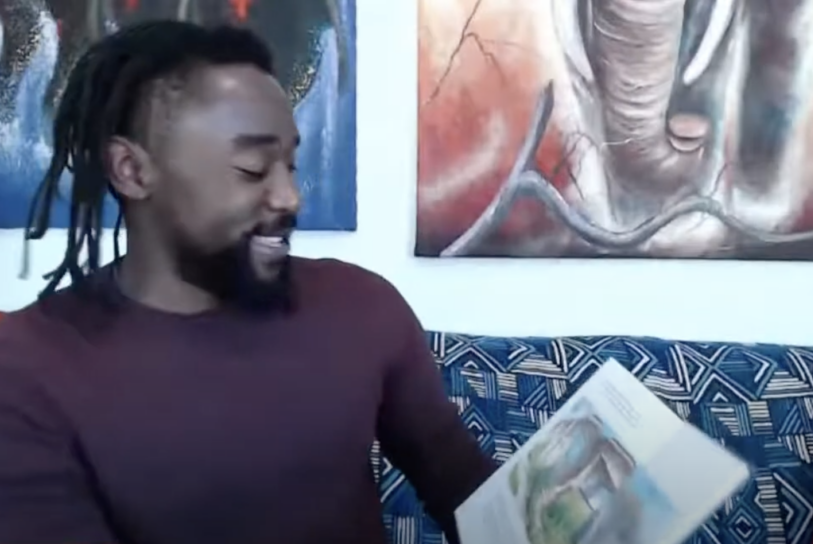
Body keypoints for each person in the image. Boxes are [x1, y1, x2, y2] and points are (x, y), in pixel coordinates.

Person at [0, 20, 495, 544]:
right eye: (254, 169)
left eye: (290, 164)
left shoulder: (363, 308)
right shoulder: (31, 365)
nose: (289, 197)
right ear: (132, 169)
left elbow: (475, 499)